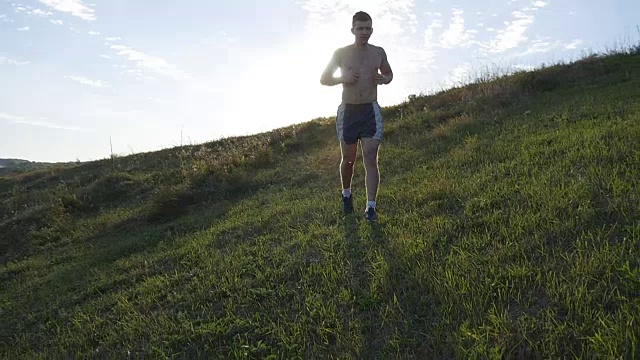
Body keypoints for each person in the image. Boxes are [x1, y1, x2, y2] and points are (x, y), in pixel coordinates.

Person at [320, 11, 394, 222]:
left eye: (368, 28)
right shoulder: (341, 53)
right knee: (348, 160)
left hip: (370, 110)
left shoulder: (378, 52)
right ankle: (346, 194)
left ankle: (370, 208)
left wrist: (385, 79)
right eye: (360, 28)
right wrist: (342, 78)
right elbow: (324, 78)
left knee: (371, 158)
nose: (364, 32)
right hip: (349, 111)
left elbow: (389, 73)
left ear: (372, 30)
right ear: (352, 30)